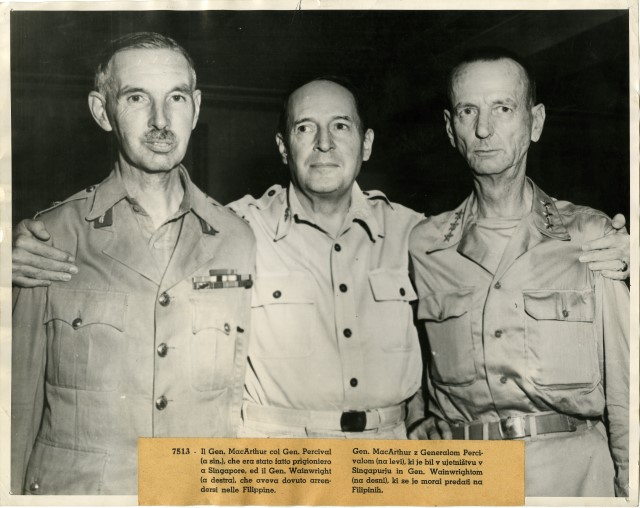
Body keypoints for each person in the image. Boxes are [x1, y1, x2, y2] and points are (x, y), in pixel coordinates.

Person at [12, 77, 630, 439]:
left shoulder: (420, 236)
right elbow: (138, 240)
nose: (325, 143)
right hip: (281, 465)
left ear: (367, 144)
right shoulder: (233, 229)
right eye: (306, 129)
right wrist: (20, 249)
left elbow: (496, 281)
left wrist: (622, 252)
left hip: (391, 460)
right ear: (284, 147)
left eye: (341, 127)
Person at [11, 32, 255, 495]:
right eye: (137, 98)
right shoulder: (51, 237)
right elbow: (16, 412)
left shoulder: (237, 239)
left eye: (176, 98)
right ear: (102, 111)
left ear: (196, 108)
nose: (161, 120)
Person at [408, 48, 629, 496]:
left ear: (536, 122)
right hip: (463, 482)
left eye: (503, 108)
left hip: (572, 480)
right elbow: (405, 360)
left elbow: (627, 390)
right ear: (451, 129)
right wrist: (416, 418)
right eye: (468, 111)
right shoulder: (424, 245)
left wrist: (631, 488)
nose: (483, 129)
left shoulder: (590, 236)